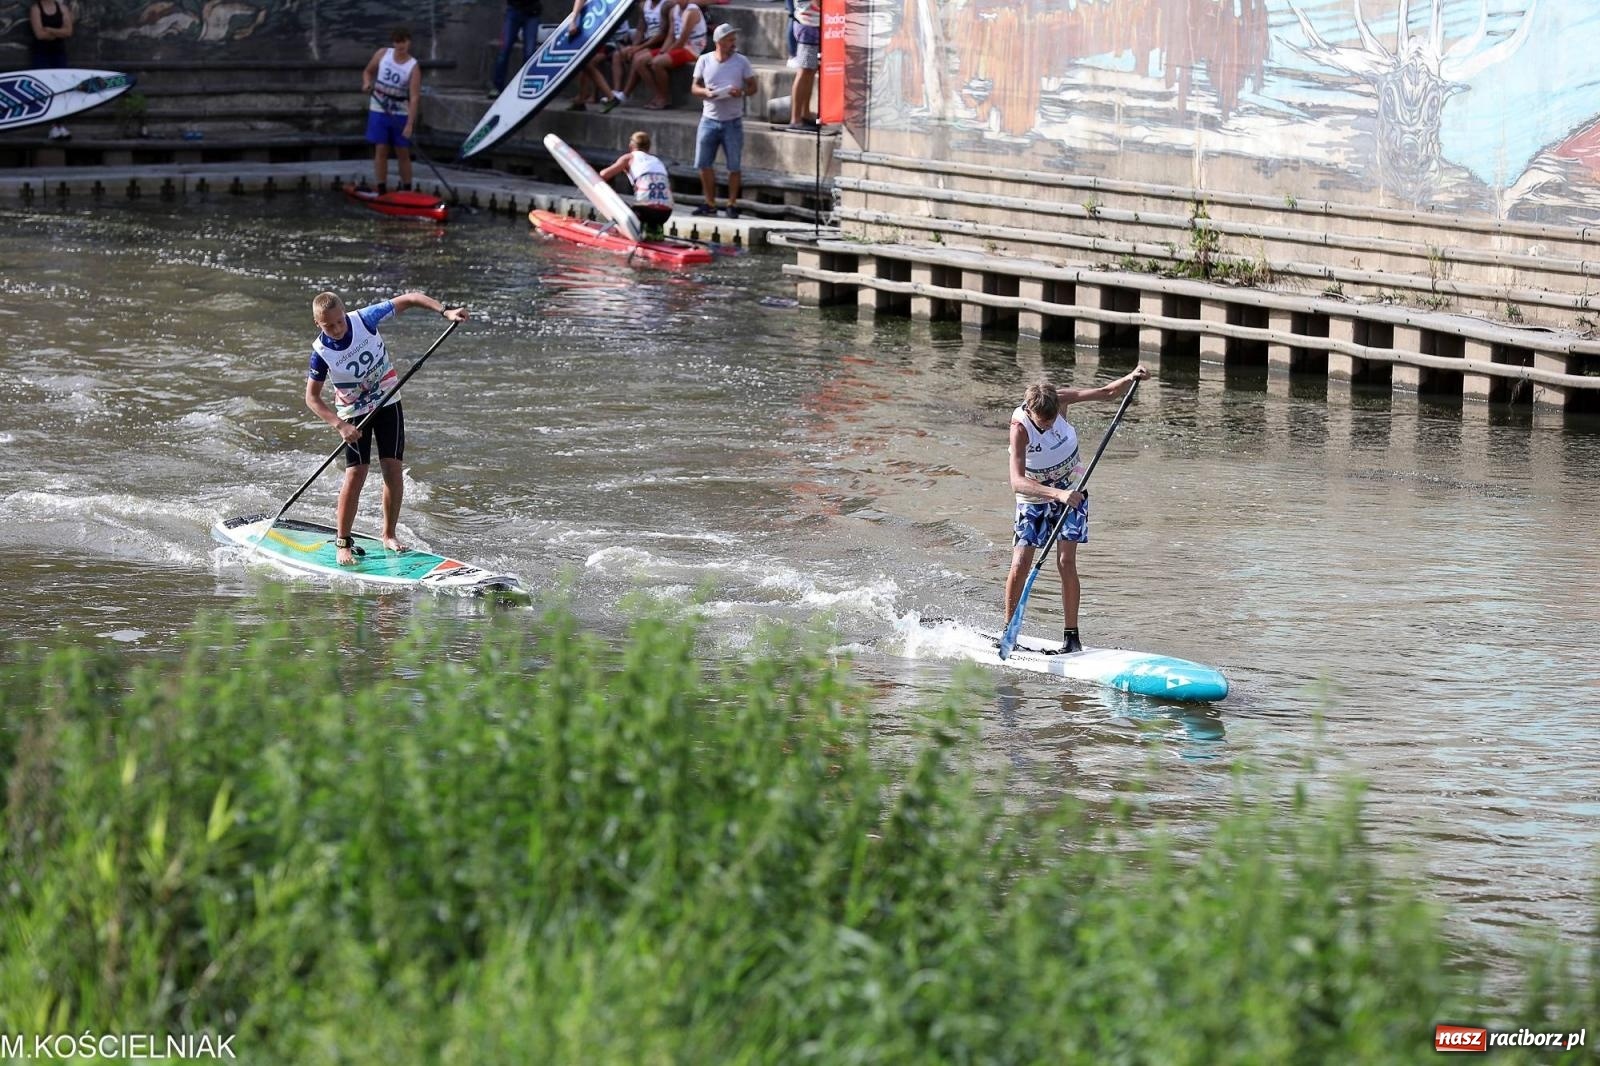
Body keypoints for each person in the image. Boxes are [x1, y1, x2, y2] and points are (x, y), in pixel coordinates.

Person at [304, 292, 469, 567]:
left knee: (392, 469)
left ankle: (388, 534)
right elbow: (312, 398)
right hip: (353, 413)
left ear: (345, 314)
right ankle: (343, 542)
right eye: (328, 326)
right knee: (357, 473)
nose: (336, 329)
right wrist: (340, 425)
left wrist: (446, 311)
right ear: (317, 323)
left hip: (387, 400)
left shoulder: (365, 319)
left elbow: (411, 298)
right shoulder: (320, 354)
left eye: (339, 322)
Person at [1004, 366, 1150, 653]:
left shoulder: (1059, 400)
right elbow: (1016, 482)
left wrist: (1130, 377)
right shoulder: (1019, 428)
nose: (1048, 426)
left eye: (1052, 419)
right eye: (1043, 423)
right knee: (1021, 564)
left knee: (1066, 562)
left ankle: (1071, 638)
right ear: (1031, 411)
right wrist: (1056, 494)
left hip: (1073, 490)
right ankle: (1009, 631)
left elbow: (1106, 393)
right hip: (1036, 496)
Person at [691, 22, 756, 218]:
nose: (733, 42)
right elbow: (694, 87)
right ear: (719, 42)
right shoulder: (704, 60)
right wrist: (706, 92)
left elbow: (753, 87)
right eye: (729, 39)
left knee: (734, 165)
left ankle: (731, 203)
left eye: (733, 39)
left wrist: (741, 92)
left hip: (733, 121)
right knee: (703, 163)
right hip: (709, 118)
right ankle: (709, 203)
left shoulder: (741, 61)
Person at [362, 27, 422, 193]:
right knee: (381, 148)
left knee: (402, 151)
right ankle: (381, 187)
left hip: (399, 111)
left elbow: (415, 97)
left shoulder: (413, 66)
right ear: (393, 42)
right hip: (379, 108)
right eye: (397, 42)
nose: (400, 45)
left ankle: (407, 188)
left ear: (409, 42)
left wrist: (410, 124)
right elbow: (368, 71)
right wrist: (367, 83)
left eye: (403, 41)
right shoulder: (382, 54)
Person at [631, 0, 705, 110]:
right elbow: (671, 36)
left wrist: (664, 55)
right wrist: (662, 52)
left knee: (657, 63)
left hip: (692, 49)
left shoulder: (691, 11)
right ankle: (658, 94)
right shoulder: (673, 11)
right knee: (639, 60)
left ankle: (664, 98)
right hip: (678, 46)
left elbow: (682, 40)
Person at [599, 130, 674, 238]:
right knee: (652, 205)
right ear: (649, 147)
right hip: (666, 213)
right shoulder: (657, 161)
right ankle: (655, 233)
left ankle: (619, 234)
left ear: (631, 145)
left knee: (620, 205)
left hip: (644, 212)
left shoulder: (629, 158)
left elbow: (604, 175)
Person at [29, 0, 74, 140]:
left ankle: (60, 125)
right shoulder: (36, 9)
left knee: (61, 89)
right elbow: (39, 34)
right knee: (46, 89)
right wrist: (59, 32)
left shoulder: (62, 8)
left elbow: (69, 31)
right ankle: (52, 127)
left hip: (59, 54)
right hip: (41, 55)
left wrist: (50, 29)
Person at [613, 0, 669, 104]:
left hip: (661, 43)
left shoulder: (666, 5)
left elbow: (663, 34)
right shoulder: (643, 5)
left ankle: (628, 94)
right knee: (618, 55)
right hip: (648, 40)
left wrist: (639, 48)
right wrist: (634, 46)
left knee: (638, 59)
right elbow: (640, 29)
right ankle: (616, 92)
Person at [491, 0, 544, 99]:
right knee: (504, 50)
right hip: (514, 10)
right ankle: (497, 87)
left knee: (529, 53)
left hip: (532, 13)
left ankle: (526, 87)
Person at [786, 0, 820, 130]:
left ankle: (805, 112)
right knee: (804, 71)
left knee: (810, 71)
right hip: (808, 24)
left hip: (813, 23)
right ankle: (795, 118)